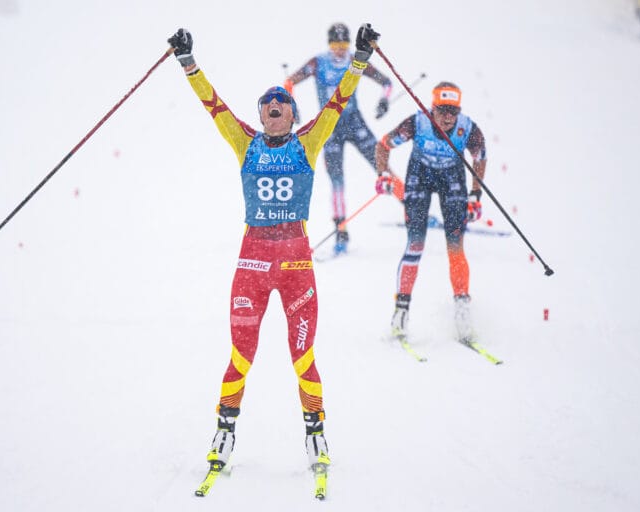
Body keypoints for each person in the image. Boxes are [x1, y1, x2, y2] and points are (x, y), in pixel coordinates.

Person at [166, 24, 381, 473]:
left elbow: (338, 101)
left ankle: (316, 435)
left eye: (281, 102)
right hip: (252, 265)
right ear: (262, 115)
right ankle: (224, 433)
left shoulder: (309, 141)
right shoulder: (244, 141)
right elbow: (213, 105)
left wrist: (359, 58)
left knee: (303, 357)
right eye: (267, 104)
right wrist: (188, 62)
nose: (274, 106)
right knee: (241, 355)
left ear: (292, 114)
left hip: (297, 265)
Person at [374, 81, 487, 342]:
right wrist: (383, 174)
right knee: (415, 245)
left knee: (455, 246)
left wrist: (475, 195)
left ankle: (462, 311)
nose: (448, 117)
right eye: (442, 110)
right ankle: (401, 312)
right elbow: (383, 145)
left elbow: (480, 157)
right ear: (432, 108)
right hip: (420, 177)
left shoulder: (468, 128)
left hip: (452, 179)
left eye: (453, 111)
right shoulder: (417, 123)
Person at [284, 22, 393, 255]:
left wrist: (384, 101)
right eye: (336, 45)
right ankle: (341, 230)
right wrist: (291, 105)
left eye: (343, 44)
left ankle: (413, 208)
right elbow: (289, 82)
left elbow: (387, 83)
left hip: (355, 123)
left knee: (382, 166)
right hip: (329, 127)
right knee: (336, 179)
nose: (340, 50)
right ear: (329, 44)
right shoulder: (318, 63)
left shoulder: (355, 60)